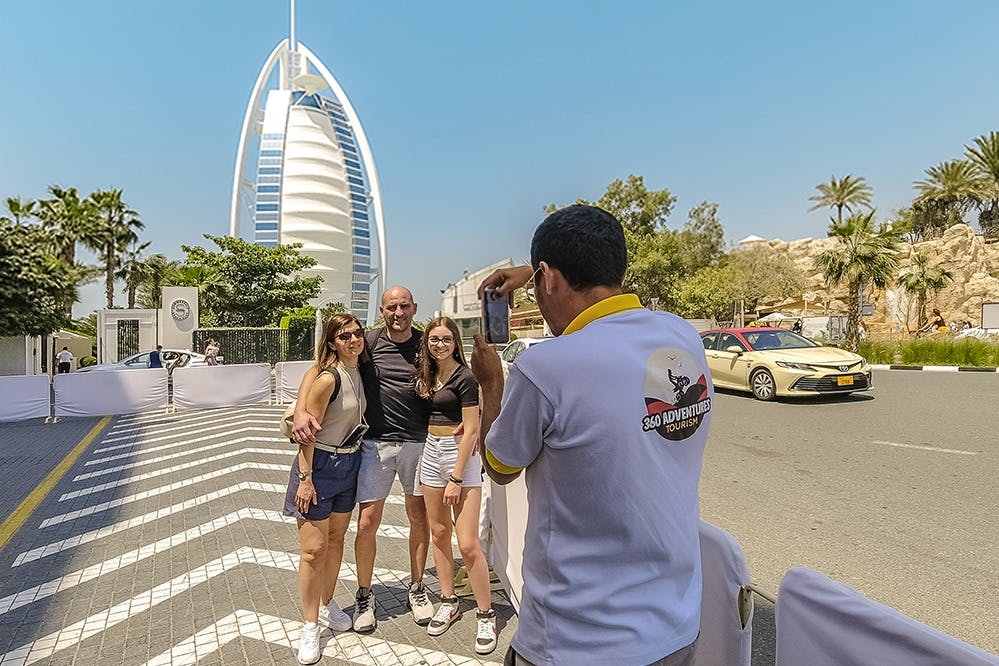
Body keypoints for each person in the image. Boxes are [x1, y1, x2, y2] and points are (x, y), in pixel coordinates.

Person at [471, 204, 713, 666]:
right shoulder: (682, 339)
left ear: (549, 278)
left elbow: (499, 467)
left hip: (577, 640)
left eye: (541, 284)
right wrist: (539, 271)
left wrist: (490, 384)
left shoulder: (546, 367)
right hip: (675, 628)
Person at [291, 286, 435, 632]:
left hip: (417, 442)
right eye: (390, 307)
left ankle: (417, 588)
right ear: (382, 311)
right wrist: (299, 411)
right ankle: (365, 594)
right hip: (373, 446)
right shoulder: (367, 341)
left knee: (419, 517)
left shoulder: (427, 344)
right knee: (367, 522)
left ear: (414, 307)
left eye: (404, 306)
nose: (398, 312)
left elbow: (457, 374)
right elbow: (318, 369)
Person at [282, 314, 367, 664]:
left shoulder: (359, 367)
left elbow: (308, 371)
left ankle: (328, 603)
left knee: (336, 542)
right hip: (319, 467)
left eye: (357, 333)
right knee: (313, 550)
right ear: (332, 342)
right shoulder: (328, 378)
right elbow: (307, 433)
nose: (353, 340)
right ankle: (309, 625)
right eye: (344, 336)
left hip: (350, 463)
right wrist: (306, 479)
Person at [414, 316, 496, 654]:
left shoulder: (464, 377)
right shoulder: (428, 375)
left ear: (455, 343)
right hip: (430, 450)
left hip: (458, 458)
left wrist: (457, 477)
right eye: (434, 339)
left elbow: (471, 429)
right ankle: (448, 600)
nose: (440, 345)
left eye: (446, 339)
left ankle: (486, 613)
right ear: (428, 343)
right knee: (438, 533)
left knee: (467, 544)